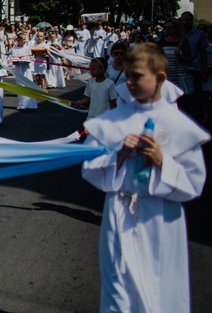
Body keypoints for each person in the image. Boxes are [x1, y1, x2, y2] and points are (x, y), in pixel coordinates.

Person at [81, 43, 209, 312]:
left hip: (161, 215)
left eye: (137, 76)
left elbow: (194, 181)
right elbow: (89, 166)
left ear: (160, 78)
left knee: (159, 288)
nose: (129, 82)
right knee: (118, 287)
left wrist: (163, 162)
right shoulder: (112, 120)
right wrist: (120, 154)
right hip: (119, 210)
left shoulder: (179, 125)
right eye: (127, 76)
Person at [9, 32, 37, 110]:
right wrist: (17, 60)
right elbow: (13, 61)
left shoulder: (27, 48)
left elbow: (29, 58)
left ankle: (30, 104)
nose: (25, 41)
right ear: (18, 40)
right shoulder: (14, 49)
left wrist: (26, 59)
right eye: (23, 39)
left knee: (28, 84)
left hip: (26, 68)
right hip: (19, 68)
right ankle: (22, 104)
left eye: (25, 39)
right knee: (20, 85)